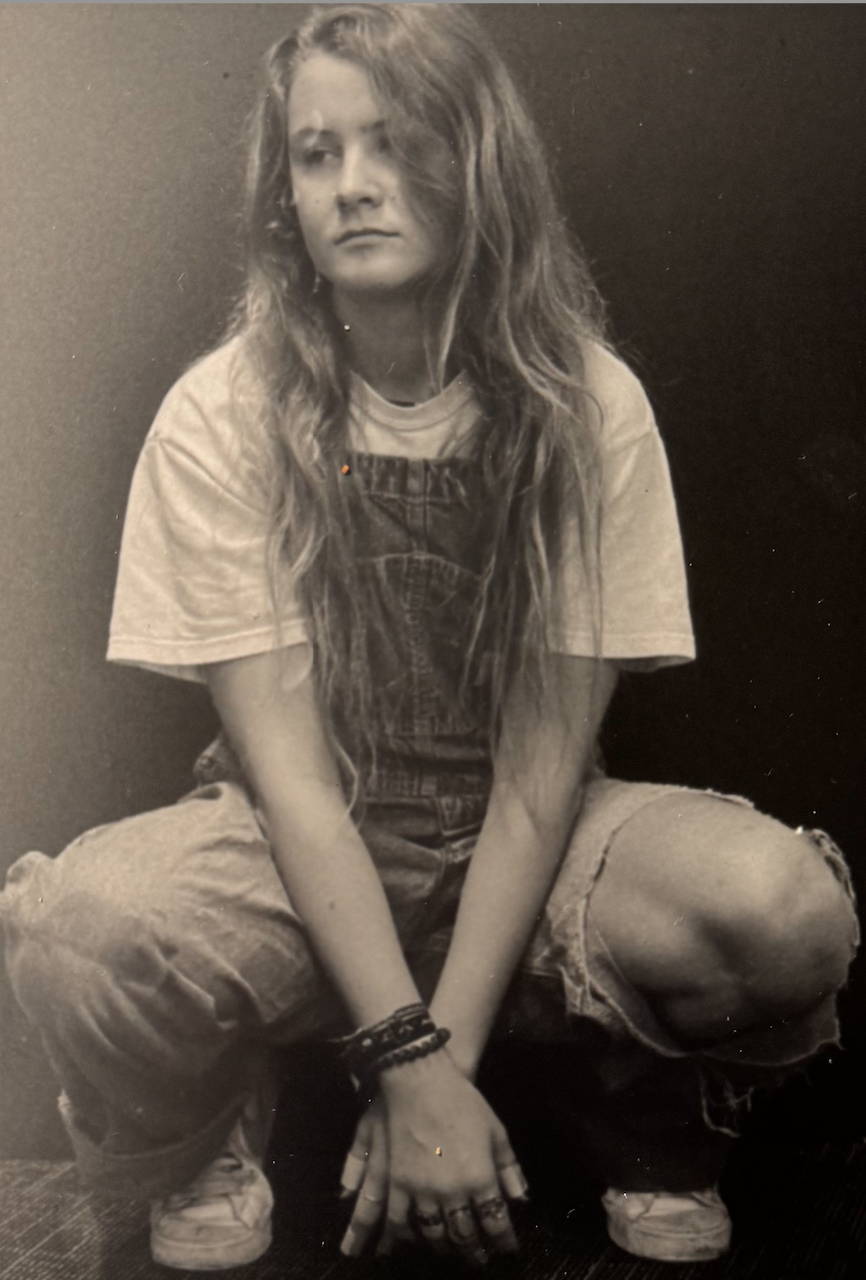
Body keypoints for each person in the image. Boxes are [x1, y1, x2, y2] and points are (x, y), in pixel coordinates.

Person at [0, 4, 858, 1271]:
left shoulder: (583, 404)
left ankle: (644, 1124)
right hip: (300, 843)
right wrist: (410, 1065)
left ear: (478, 163)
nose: (354, 186)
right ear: (283, 191)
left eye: (397, 145)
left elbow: (533, 780)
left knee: (779, 909)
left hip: (531, 825)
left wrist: (431, 1071)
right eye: (317, 152)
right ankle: (200, 1140)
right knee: (83, 923)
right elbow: (290, 788)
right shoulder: (222, 410)